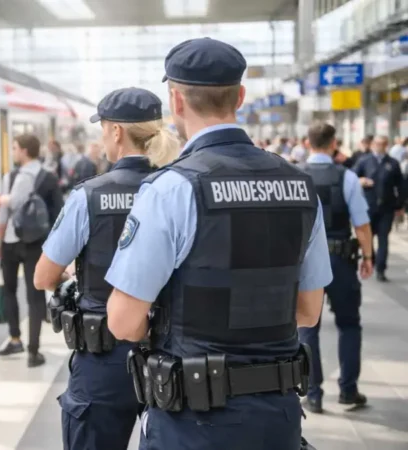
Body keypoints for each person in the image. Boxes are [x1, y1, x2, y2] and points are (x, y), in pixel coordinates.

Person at [103, 38, 332, 450]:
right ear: (240, 96)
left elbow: (122, 321)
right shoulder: (300, 186)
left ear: (176, 101)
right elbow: (309, 311)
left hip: (193, 423)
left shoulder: (170, 189)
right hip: (276, 419)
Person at [34, 87, 179, 450]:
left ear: (116, 131)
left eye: (103, 129)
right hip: (169, 358)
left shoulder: (89, 195)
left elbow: (43, 277)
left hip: (103, 359)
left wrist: (73, 273)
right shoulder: (178, 189)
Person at [297, 122, 373, 414]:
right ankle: (348, 390)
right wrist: (368, 257)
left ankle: (312, 393)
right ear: (333, 144)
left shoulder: (295, 177)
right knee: (349, 324)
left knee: (307, 326)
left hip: (305, 261)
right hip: (340, 259)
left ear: (307, 143)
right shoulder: (348, 177)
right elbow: (362, 225)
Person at [0, 134, 64, 367]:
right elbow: (58, 214)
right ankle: (34, 351)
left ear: (24, 151)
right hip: (36, 243)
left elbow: (4, 214)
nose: (13, 151)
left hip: (10, 242)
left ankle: (15, 338)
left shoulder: (11, 176)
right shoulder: (48, 178)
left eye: (14, 147)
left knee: (9, 291)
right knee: (35, 296)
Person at [353, 134, 406, 281]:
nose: (380, 146)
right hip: (367, 207)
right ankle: (372, 260)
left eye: (383, 144)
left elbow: (401, 186)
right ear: (372, 145)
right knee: (368, 237)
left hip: (386, 208)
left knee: (383, 238)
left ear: (386, 145)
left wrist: (400, 205)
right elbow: (351, 177)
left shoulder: (393, 164)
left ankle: (381, 269)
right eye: (377, 143)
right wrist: (360, 180)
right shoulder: (364, 161)